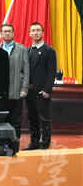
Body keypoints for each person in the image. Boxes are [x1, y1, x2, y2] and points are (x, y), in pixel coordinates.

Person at [23, 22, 57, 150]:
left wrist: (47, 89)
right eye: (33, 30)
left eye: (38, 30)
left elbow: (52, 72)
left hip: (42, 91)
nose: (35, 33)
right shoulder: (27, 51)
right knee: (31, 118)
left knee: (44, 118)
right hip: (29, 91)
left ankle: (45, 143)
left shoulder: (49, 51)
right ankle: (34, 142)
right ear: (29, 33)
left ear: (43, 32)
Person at [0, 23, 29, 139]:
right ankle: (3, 143)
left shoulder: (21, 49)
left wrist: (24, 88)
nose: (7, 33)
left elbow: (26, 70)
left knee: (16, 120)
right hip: (1, 92)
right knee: (3, 119)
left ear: (13, 33)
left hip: (16, 90)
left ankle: (15, 143)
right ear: (1, 34)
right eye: (5, 31)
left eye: (9, 31)